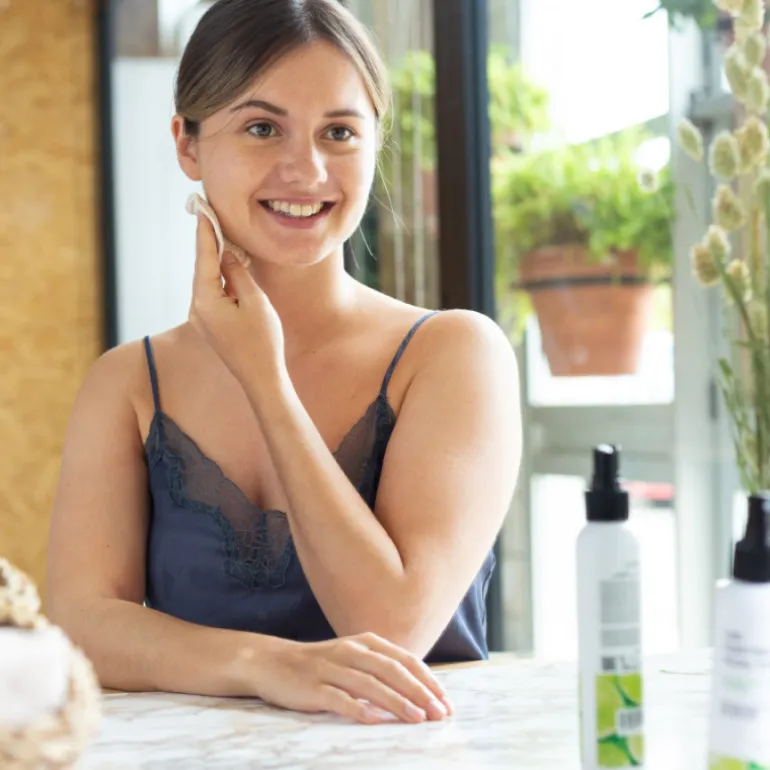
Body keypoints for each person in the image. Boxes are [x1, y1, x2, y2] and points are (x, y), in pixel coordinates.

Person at [46, 0, 521, 726]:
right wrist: (264, 664)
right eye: (262, 128)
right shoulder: (128, 383)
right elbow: (81, 623)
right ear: (187, 144)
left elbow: (392, 628)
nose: (307, 169)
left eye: (340, 132)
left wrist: (263, 379)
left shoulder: (455, 355)